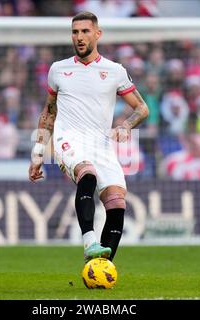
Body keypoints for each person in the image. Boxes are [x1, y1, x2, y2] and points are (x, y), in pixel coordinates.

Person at [28, 12, 149, 262]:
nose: (79, 37)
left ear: (97, 34)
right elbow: (49, 113)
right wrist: (38, 154)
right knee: (88, 173)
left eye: (85, 31)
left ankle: (100, 267)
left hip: (101, 144)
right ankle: (89, 242)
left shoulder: (114, 71)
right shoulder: (58, 69)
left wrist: (126, 126)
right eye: (75, 32)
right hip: (68, 139)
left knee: (116, 203)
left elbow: (142, 108)